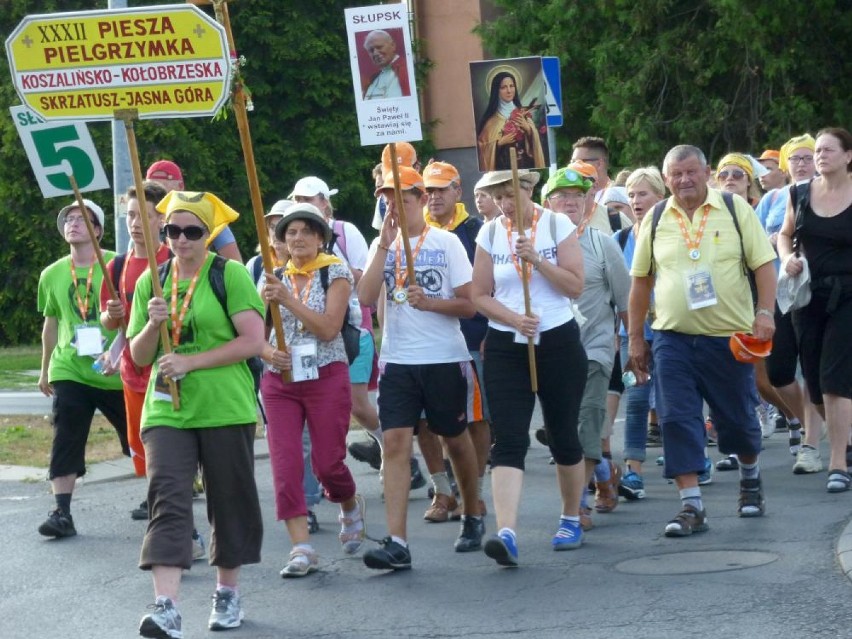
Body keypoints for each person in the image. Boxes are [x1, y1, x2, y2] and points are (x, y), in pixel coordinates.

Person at [128, 191, 265, 637]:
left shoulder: (232, 275)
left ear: (208, 235)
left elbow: (252, 341)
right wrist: (152, 324)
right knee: (166, 497)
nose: (181, 239)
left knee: (228, 499)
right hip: (166, 412)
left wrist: (190, 361)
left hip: (224, 406)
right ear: (163, 233)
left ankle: (227, 592)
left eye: (192, 231)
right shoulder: (153, 279)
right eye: (172, 230)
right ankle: (165, 606)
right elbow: (138, 353)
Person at [626, 145, 777, 537]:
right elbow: (640, 282)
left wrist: (765, 313)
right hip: (672, 338)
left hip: (727, 338)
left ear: (707, 172)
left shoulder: (733, 209)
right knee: (676, 418)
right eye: (676, 174)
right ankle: (691, 506)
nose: (684, 180)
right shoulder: (657, 218)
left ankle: (750, 478)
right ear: (667, 178)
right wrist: (635, 338)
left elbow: (763, 265)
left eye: (691, 171)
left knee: (738, 420)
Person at [358, 166, 484, 570]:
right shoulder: (383, 244)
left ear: (419, 199)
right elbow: (364, 295)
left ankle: (472, 510)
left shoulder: (446, 242)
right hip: (398, 360)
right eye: (386, 199)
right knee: (394, 443)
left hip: (445, 358)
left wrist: (430, 303)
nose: (393, 205)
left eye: (401, 197)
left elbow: (469, 303)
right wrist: (382, 245)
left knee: (454, 438)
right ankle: (397, 542)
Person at [471, 169, 587, 566]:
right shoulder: (489, 233)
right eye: (497, 196)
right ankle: (506, 532)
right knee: (508, 437)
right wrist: (512, 318)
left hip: (556, 338)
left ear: (528, 189)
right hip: (507, 343)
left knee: (562, 434)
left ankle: (571, 517)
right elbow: (477, 294)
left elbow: (575, 285)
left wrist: (537, 260)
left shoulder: (557, 224)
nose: (505, 203)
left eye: (510, 193)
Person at [259, 203, 366, 577]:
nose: (298, 238)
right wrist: (269, 351)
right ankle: (301, 548)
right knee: (286, 465)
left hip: (326, 374)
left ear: (321, 238)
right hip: (280, 382)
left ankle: (349, 504)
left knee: (326, 463)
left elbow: (328, 329)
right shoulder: (271, 277)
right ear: (282, 241)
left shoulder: (334, 273)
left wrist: (287, 300)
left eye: (306, 231)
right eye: (290, 233)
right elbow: (252, 334)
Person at [542, 167, 631, 530]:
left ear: (588, 202)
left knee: (589, 419)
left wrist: (636, 346)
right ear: (546, 203)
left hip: (595, 347)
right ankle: (606, 473)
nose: (569, 203)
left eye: (577, 197)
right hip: (552, 350)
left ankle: (577, 506)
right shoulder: (536, 246)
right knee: (562, 427)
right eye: (561, 196)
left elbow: (625, 300)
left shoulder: (601, 243)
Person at [36, 199, 129, 539]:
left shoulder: (118, 266)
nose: (73, 223)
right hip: (69, 369)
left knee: (135, 439)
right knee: (66, 436)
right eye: (68, 219)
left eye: (82, 219)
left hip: (114, 370)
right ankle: (61, 511)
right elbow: (51, 322)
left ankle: (160, 500)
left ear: (99, 230)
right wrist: (45, 369)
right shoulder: (52, 273)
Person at [778, 127, 852, 492]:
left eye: (828, 150)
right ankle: (846, 438)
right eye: (817, 150)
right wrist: (786, 257)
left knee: (835, 377)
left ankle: (838, 463)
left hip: (849, 296)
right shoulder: (799, 192)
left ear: (848, 156)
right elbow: (784, 233)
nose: (820, 156)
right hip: (808, 296)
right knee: (815, 380)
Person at [418, 161, 490, 523]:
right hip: (422, 343)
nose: (433, 197)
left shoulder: (474, 230)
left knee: (474, 418)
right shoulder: (414, 231)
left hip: (472, 336)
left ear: (457, 191)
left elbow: (489, 288)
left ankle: (472, 492)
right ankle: (442, 491)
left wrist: (491, 331)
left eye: (440, 189)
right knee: (424, 423)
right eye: (428, 190)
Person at [99, 182, 172, 516]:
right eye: (130, 215)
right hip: (132, 370)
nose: (135, 222)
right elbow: (111, 322)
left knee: (168, 440)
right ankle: (156, 491)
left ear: (161, 219)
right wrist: (110, 316)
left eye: (144, 214)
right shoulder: (116, 266)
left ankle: (166, 499)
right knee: (138, 439)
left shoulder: (173, 259)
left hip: (168, 368)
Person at [614, 167, 667, 500]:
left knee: (674, 400)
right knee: (635, 401)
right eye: (631, 195)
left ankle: (693, 459)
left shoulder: (673, 233)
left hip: (670, 331)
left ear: (660, 197)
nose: (635, 201)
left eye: (643, 194)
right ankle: (634, 471)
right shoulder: (619, 239)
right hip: (630, 333)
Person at [146, 160, 242, 262]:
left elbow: (236, 263)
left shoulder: (205, 215)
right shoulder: (141, 223)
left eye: (162, 192)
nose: (158, 199)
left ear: (180, 187)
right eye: (149, 193)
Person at [476, 70, 545, 171]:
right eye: (503, 87)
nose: (509, 91)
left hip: (524, 169)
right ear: (497, 91)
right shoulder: (491, 122)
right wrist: (498, 143)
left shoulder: (523, 115)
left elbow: (536, 147)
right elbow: (482, 147)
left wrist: (528, 129)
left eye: (511, 86)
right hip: (503, 172)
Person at [362, 30, 410, 100]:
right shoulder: (374, 78)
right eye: (371, 50)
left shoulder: (404, 70)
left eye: (379, 47)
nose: (375, 53)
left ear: (393, 45)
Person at [571, 136, 613, 202]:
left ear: (599, 164)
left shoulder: (615, 195)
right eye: (572, 162)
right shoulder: (570, 197)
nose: (574, 166)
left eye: (580, 161)